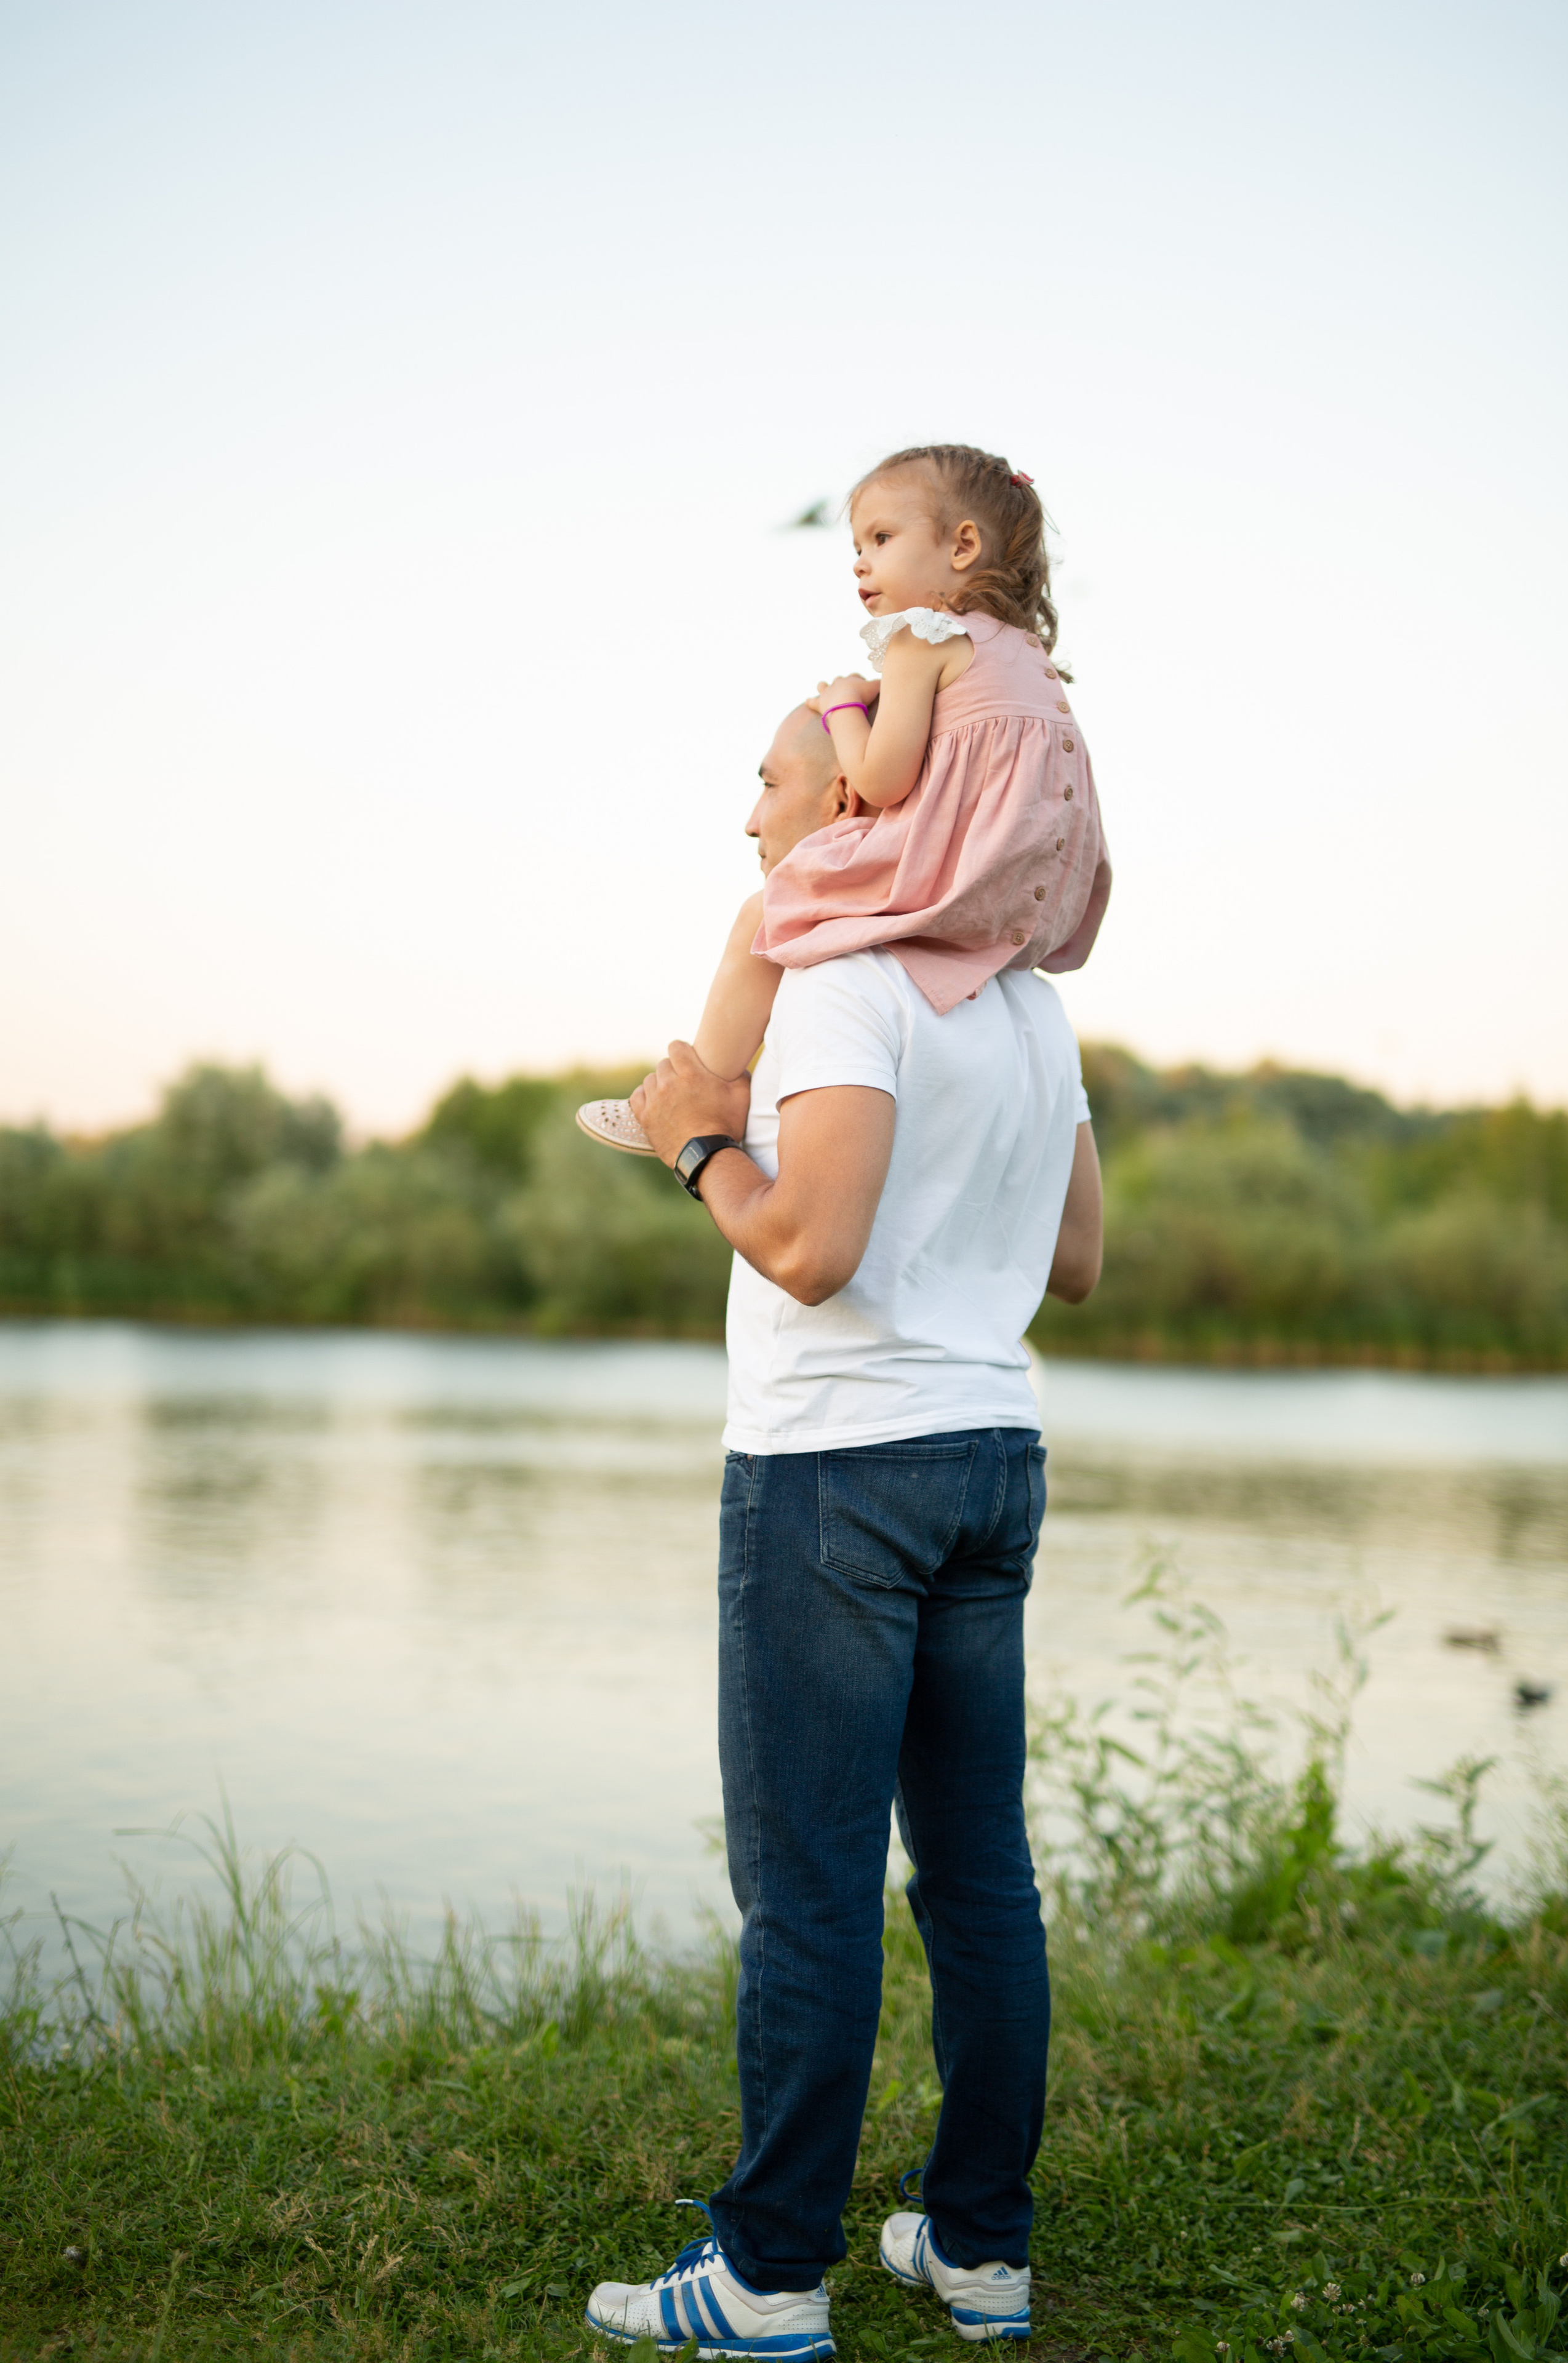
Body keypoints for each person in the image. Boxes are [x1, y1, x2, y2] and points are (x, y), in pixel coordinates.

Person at [581, 695, 1105, 2359]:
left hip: (839, 1474)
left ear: (866, 805)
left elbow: (803, 1248)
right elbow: (1078, 1257)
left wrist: (696, 1146)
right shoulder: (1028, 1005)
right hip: (992, 1464)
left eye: (774, 778)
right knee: (979, 1884)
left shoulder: (837, 987)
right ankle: (980, 2254)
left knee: (809, 1893)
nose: (752, 814)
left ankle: (769, 2279)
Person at [574, 444, 1111, 1159]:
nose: (860, 562)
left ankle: (708, 1085)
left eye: (882, 540)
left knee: (768, 908)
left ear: (963, 546)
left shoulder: (923, 642)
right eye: (857, 545)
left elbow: (882, 780)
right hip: (1035, 896)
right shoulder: (1027, 657)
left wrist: (842, 706)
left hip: (959, 877)